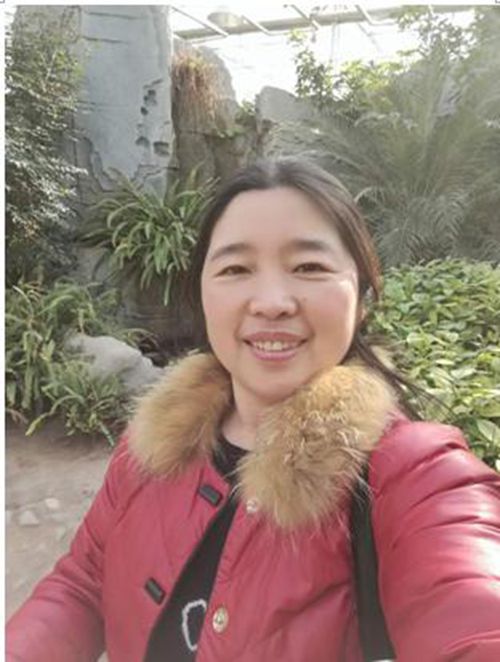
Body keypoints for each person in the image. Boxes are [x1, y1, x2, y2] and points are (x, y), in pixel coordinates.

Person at [6, 158, 500, 662]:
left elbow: (473, 609)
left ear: (363, 298)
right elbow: (83, 582)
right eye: (236, 269)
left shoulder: (415, 473)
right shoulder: (149, 446)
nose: (270, 302)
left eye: (309, 267)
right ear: (201, 295)